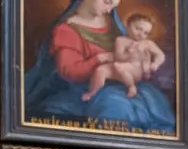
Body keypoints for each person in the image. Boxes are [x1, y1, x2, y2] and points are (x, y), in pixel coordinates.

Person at [24, 0, 177, 134]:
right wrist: (100, 58)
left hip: (120, 82)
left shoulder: (113, 23)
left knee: (152, 107)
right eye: (107, 1)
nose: (110, 9)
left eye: (114, 4)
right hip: (82, 88)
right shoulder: (67, 30)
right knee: (116, 109)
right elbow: (69, 72)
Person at [80, 12, 164, 101]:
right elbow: (118, 57)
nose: (141, 34)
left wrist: (155, 64)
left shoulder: (147, 43)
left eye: (146, 33)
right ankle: (92, 92)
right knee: (100, 70)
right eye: (138, 29)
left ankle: (131, 86)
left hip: (136, 71)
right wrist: (129, 53)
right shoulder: (120, 40)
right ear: (128, 26)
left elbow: (160, 55)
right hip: (121, 68)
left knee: (118, 66)